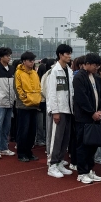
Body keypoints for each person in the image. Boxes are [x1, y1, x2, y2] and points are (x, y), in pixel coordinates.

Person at [71, 53, 101, 184]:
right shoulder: (79, 77)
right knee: (83, 145)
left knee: (93, 145)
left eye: (98, 65)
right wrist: (92, 112)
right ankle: (82, 172)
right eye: (95, 65)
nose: (97, 68)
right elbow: (81, 98)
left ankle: (90, 169)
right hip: (84, 117)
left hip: (96, 116)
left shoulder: (96, 77)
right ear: (87, 64)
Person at [45, 44, 75, 179]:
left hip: (69, 109)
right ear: (60, 55)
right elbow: (51, 93)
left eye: (70, 53)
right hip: (59, 109)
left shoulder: (69, 71)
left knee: (65, 138)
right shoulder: (54, 71)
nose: (69, 56)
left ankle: (59, 162)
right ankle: (52, 165)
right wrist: (55, 111)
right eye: (67, 54)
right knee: (56, 138)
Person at [14, 51, 41, 162]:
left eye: (33, 60)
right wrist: (26, 99)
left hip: (34, 105)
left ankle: (29, 152)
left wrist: (37, 99)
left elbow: (38, 87)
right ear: (24, 61)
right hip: (23, 106)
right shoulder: (18, 73)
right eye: (30, 60)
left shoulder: (34, 73)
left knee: (32, 131)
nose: (32, 62)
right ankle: (21, 153)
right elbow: (18, 89)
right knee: (23, 130)